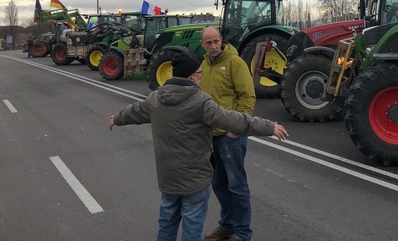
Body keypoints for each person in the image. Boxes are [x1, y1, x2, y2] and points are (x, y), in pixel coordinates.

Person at [109, 51, 288, 241]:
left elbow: (134, 111)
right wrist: (269, 126)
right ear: (191, 76)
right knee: (193, 227)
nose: (201, 77)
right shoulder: (200, 101)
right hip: (195, 180)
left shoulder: (155, 98)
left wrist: (117, 118)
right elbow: (233, 120)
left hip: (168, 178)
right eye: (200, 74)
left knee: (167, 222)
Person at [199, 27, 257, 241]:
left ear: (221, 41)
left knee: (237, 186)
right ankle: (228, 225)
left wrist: (238, 127)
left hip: (231, 136)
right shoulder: (204, 65)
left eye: (216, 41)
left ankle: (243, 233)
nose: (213, 46)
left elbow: (248, 96)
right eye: (209, 43)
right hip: (210, 137)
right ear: (202, 44)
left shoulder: (235, 63)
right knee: (219, 184)